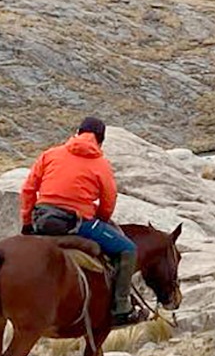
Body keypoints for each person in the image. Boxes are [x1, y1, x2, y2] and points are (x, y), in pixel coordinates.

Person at [19, 117, 147, 327]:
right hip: (77, 223)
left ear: (77, 132)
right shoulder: (101, 164)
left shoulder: (50, 154)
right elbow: (108, 200)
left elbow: (28, 189)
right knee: (128, 249)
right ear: (100, 140)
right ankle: (121, 308)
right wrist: (102, 221)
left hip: (41, 220)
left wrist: (26, 222)